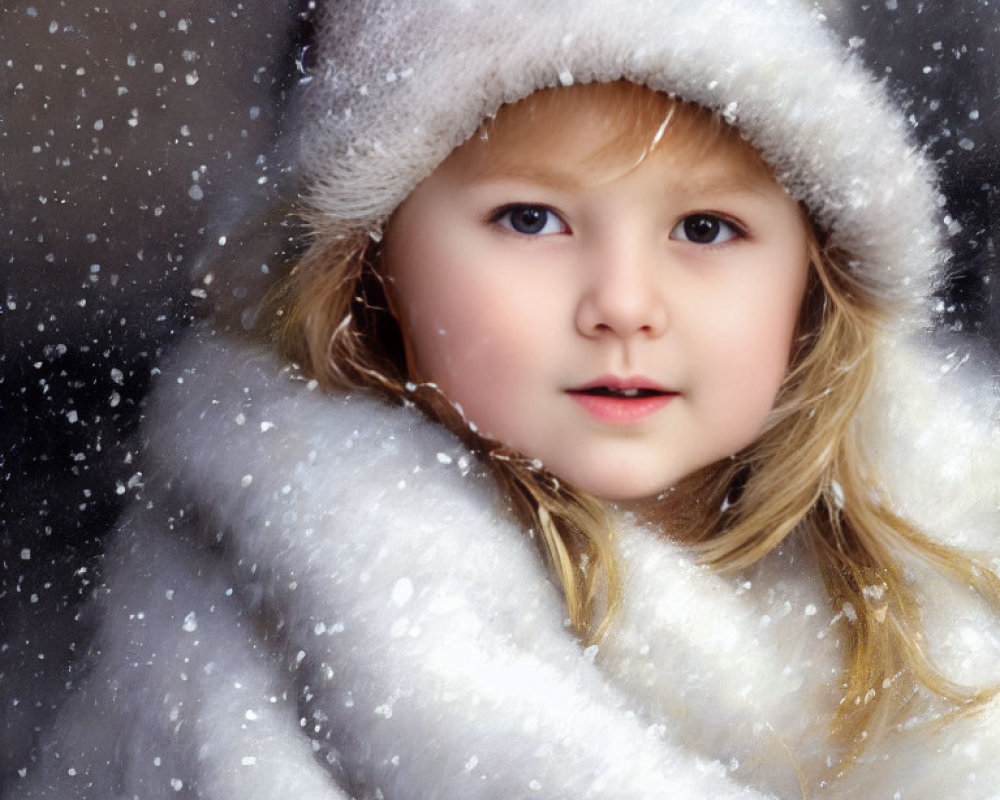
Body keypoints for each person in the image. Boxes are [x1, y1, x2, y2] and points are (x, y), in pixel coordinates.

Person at [15, 1, 1000, 798]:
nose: (623, 304)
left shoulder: (942, 536)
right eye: (530, 218)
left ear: (811, 287)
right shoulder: (281, 590)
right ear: (372, 266)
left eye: (704, 228)